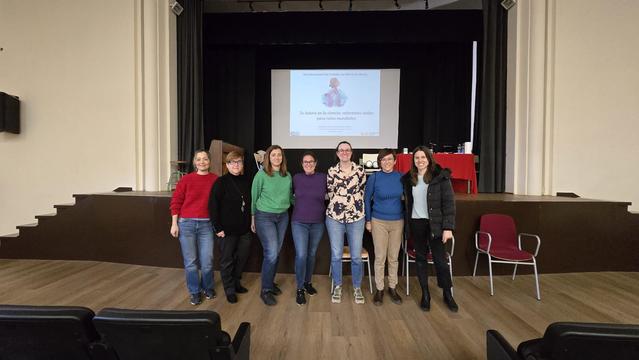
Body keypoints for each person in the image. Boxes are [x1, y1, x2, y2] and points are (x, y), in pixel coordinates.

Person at [402, 146, 458, 312]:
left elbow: (449, 203)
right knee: (420, 259)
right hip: (416, 223)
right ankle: (425, 294)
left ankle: (448, 294)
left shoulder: (441, 177)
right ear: (413, 160)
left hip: (435, 224)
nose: (420, 160)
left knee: (440, 261)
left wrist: (448, 227)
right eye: (417, 158)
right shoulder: (408, 179)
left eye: (423, 157)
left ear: (429, 158)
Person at [170, 150, 218, 306]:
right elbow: (176, 202)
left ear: (209, 162)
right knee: (190, 262)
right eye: (199, 159)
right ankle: (195, 292)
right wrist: (174, 223)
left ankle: (207, 287)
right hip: (186, 224)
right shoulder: (186, 180)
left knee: (207, 261)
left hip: (207, 224)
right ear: (194, 162)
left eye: (205, 159)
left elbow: (219, 204)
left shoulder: (216, 180)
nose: (202, 162)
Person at [326, 141, 367, 304]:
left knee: (356, 256)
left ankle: (357, 287)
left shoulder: (360, 171)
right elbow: (330, 193)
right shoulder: (331, 171)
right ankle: (338, 286)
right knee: (336, 256)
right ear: (337, 153)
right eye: (341, 150)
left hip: (356, 218)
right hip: (334, 218)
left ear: (351, 152)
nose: (344, 152)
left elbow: (362, 192)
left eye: (347, 150)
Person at [208, 151, 252, 304]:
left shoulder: (247, 180)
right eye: (232, 162)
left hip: (244, 230)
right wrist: (217, 227)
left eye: (238, 162)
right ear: (227, 165)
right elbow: (213, 206)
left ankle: (236, 282)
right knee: (227, 260)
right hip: (226, 230)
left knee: (241, 258)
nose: (236, 165)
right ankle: (229, 289)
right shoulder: (221, 182)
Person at [251, 145, 293, 306]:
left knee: (275, 252)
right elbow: (254, 197)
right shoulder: (261, 175)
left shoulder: (286, 175)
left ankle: (270, 282)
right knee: (271, 253)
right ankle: (265, 290)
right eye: (273, 155)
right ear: (268, 157)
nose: (277, 158)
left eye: (279, 155)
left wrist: (306, 201)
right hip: (264, 216)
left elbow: (289, 197)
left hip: (283, 216)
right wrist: (252, 218)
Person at [364, 148, 404, 306]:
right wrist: (368, 220)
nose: (386, 162)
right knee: (380, 257)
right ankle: (379, 289)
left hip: (398, 221)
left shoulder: (401, 177)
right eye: (383, 160)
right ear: (379, 162)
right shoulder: (374, 177)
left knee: (393, 257)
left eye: (389, 159)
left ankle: (392, 288)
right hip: (378, 221)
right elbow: (367, 199)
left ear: (395, 161)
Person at [291, 151, 327, 306]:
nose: (308, 164)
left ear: (316, 163)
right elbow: (289, 196)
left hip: (318, 222)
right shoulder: (296, 178)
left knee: (311, 254)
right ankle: (299, 289)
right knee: (301, 255)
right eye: (305, 162)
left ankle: (307, 282)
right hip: (299, 222)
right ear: (301, 164)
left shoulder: (323, 178)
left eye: (311, 161)